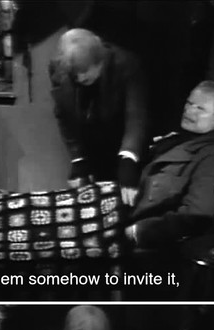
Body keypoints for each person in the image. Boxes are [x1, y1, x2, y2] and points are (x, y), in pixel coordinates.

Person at [50, 28, 148, 206]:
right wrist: (78, 158)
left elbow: (136, 116)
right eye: (74, 74)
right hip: (91, 142)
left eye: (85, 71)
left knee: (128, 201)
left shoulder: (126, 64)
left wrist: (128, 158)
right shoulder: (59, 68)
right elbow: (63, 115)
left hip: (121, 139)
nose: (80, 78)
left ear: (100, 61)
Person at [125, 81, 214, 248]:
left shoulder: (209, 155)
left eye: (200, 108)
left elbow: (197, 215)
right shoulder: (175, 141)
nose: (189, 111)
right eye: (189, 103)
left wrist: (139, 232)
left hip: (156, 247)